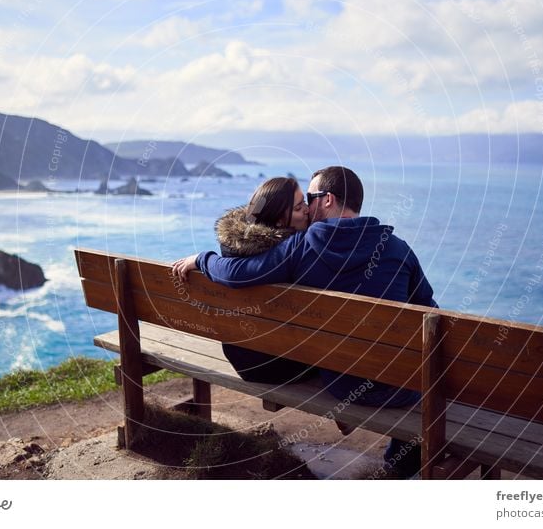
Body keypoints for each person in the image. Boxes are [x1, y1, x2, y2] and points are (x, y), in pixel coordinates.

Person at [173, 166, 436, 478]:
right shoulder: (398, 249)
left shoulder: (302, 247)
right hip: (400, 388)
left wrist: (202, 260)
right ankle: (400, 467)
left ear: (327, 200)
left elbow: (237, 273)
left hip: (341, 384)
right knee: (427, 376)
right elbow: (429, 310)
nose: (307, 208)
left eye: (310, 198)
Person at [214, 176, 317, 384]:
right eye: (298, 208)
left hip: (243, 359)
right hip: (285, 364)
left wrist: (202, 260)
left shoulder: (231, 251)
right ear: (279, 221)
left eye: (304, 202)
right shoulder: (294, 252)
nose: (307, 210)